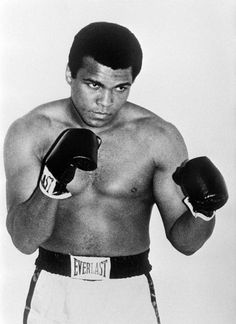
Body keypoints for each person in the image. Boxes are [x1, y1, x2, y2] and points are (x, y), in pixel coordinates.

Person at [4, 22, 228, 324]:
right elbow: (23, 240)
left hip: (129, 293)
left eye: (120, 88)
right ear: (70, 75)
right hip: (56, 290)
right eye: (94, 85)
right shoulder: (31, 131)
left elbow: (185, 243)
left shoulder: (158, 138)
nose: (106, 103)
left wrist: (203, 212)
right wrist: (50, 186)